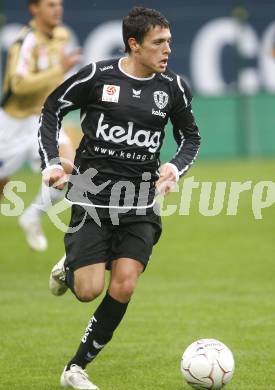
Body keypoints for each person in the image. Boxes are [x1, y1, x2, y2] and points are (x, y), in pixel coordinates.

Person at [39, 6, 201, 389]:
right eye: (158, 43)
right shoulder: (98, 77)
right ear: (134, 44)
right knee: (88, 290)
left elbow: (190, 137)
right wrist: (51, 163)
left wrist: (175, 168)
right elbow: (51, 109)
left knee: (125, 284)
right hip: (92, 198)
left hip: (140, 202)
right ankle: (72, 267)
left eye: (170, 43)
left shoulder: (173, 87)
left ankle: (75, 369)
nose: (167, 50)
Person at [0, 0, 80, 251]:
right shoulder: (26, 42)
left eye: (59, 4)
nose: (57, 10)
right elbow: (18, 85)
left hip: (43, 119)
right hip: (12, 123)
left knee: (66, 170)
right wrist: (59, 69)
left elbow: (57, 79)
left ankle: (31, 217)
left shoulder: (62, 35)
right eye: (50, 5)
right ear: (34, 9)